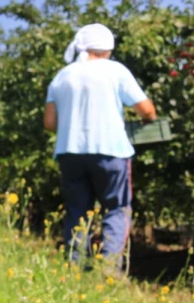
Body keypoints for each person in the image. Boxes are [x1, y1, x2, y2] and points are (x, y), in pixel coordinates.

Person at [43, 23, 156, 266]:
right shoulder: (115, 71)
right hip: (111, 150)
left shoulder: (62, 76)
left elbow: (49, 123)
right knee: (116, 208)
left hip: (69, 152)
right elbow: (146, 110)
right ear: (107, 49)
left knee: (77, 210)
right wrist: (148, 119)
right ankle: (108, 269)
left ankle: (74, 266)